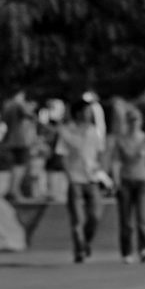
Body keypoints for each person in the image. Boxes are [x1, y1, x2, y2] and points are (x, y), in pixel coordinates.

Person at [56, 99, 104, 263]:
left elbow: (99, 152)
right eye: (87, 111)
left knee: (95, 216)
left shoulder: (93, 130)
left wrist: (100, 170)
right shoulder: (66, 131)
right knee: (77, 219)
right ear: (78, 113)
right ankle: (80, 250)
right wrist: (69, 175)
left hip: (91, 178)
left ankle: (86, 241)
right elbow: (61, 154)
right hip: (75, 178)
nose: (89, 114)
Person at [110, 107, 145, 264]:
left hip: (142, 181)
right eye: (131, 120)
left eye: (136, 120)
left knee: (142, 218)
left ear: (140, 121)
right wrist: (115, 179)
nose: (134, 123)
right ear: (127, 122)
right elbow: (115, 161)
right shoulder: (121, 140)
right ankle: (127, 251)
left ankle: (144, 248)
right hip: (125, 181)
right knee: (126, 221)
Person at [2, 90, 37, 202]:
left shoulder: (7, 105)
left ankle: (12, 190)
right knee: (20, 166)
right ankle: (14, 190)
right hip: (21, 140)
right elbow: (30, 115)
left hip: (12, 139)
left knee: (16, 166)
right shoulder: (18, 104)